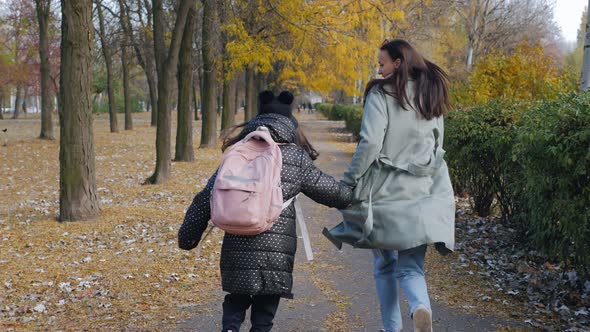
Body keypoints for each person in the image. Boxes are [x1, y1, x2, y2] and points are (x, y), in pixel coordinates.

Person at [178, 90, 353, 332]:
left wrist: (187, 237)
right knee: (264, 314)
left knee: (235, 300)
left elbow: (207, 196)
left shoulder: (238, 151)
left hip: (237, 244)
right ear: (289, 123)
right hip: (276, 252)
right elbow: (327, 189)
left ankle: (230, 328)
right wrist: (351, 197)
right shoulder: (294, 155)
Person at [323, 39, 455, 332]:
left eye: (382, 63)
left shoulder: (382, 94)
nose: (378, 69)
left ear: (397, 63)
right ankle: (420, 307)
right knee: (411, 268)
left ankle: (391, 329)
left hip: (383, 196)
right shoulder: (430, 95)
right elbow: (437, 148)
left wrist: (349, 181)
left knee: (384, 267)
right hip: (422, 196)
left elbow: (370, 143)